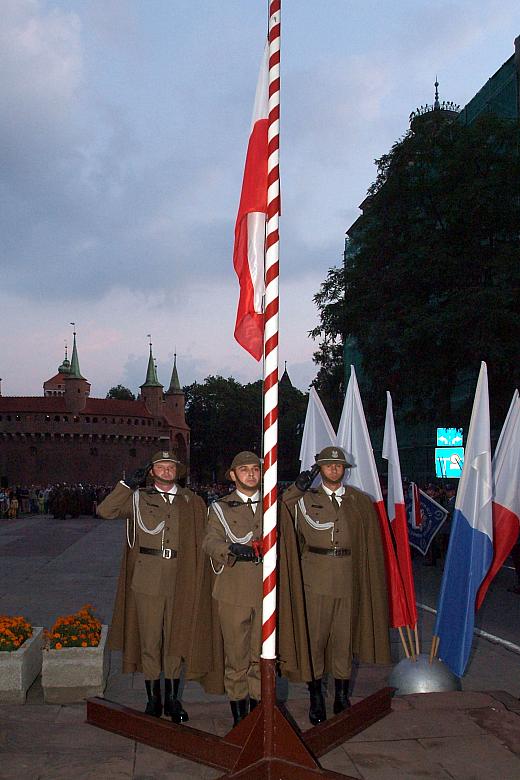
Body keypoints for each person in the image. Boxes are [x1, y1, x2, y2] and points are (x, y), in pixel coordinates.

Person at [281, 446, 391, 725]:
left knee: (344, 639)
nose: (333, 469)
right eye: (328, 465)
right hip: (314, 578)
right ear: (319, 469)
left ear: (344, 470)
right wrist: (297, 487)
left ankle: (341, 696)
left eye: (338, 465)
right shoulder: (305, 499)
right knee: (315, 640)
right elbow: (279, 511)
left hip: (348, 578)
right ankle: (315, 696)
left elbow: (370, 544)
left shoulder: (360, 501)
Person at [201, 451, 311, 726]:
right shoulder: (220, 508)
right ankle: (240, 720)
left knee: (261, 657)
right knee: (236, 659)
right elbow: (210, 541)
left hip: (266, 592)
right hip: (233, 592)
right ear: (232, 475)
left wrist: (298, 487)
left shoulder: (271, 504)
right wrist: (230, 548)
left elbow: (287, 504)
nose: (251, 474)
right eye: (244, 469)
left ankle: (257, 714)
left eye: (255, 469)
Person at [97, 449, 208, 722]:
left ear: (177, 471)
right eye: (161, 466)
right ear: (151, 472)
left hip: (181, 577)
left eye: (171, 466)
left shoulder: (192, 501)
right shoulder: (138, 499)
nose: (167, 470)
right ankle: (153, 698)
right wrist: (126, 485)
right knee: (150, 640)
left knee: (175, 639)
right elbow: (105, 511)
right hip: (147, 578)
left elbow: (204, 538)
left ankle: (172, 699)